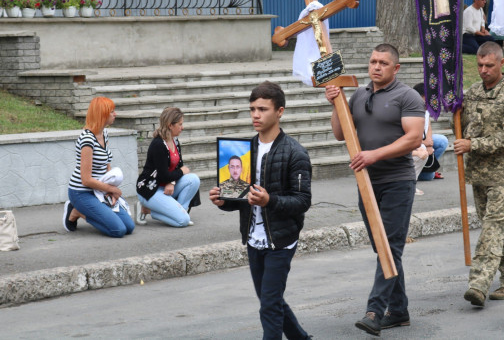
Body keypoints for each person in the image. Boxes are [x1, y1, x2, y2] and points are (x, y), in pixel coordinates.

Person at [325, 43, 425, 336]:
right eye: (373, 62)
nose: (376, 67)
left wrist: (374, 155)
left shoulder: (406, 96)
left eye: (383, 63)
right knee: (383, 249)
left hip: (398, 182)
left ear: (396, 68)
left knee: (389, 247)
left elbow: (414, 138)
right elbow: (340, 133)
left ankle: (374, 311)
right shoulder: (359, 94)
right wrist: (336, 104)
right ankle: (400, 311)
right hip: (367, 182)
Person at [208, 81, 312, 339]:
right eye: (252, 109)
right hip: (253, 239)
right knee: (270, 300)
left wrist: (269, 201)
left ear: (280, 112)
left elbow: (302, 201)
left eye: (263, 109)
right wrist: (224, 201)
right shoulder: (242, 151)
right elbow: (240, 198)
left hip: (281, 240)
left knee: (269, 305)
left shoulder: (295, 152)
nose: (256, 115)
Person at [453, 42, 504, 307]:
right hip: (478, 174)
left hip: (503, 174)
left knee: (492, 230)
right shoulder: (472, 92)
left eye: (489, 65)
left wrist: (473, 145)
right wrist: (454, 114)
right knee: (496, 231)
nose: (483, 70)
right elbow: (463, 127)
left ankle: (478, 284)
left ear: (501, 63)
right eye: (480, 65)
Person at [64, 97, 135, 237]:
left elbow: (107, 164)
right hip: (82, 192)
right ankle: (76, 211)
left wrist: (110, 190)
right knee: (118, 230)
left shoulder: (104, 133)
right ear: (102, 114)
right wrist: (111, 189)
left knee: (129, 227)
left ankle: (92, 211)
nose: (115, 114)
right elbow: (86, 180)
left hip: (100, 190)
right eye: (112, 112)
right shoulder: (87, 139)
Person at [135, 107, 200, 227]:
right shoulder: (158, 144)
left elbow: (179, 167)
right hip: (150, 189)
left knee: (194, 179)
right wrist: (179, 173)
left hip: (165, 185)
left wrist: (172, 182)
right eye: (180, 124)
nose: (182, 127)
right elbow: (165, 175)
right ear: (170, 125)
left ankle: (180, 212)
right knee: (183, 221)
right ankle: (146, 209)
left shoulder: (175, 141)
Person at [412, 83, 448, 182]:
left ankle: (428, 167)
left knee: (442, 141)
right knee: (429, 177)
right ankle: (415, 172)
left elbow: (428, 125)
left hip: (422, 142)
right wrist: (424, 143)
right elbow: (407, 137)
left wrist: (429, 142)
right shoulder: (410, 110)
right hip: (414, 144)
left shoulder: (426, 108)